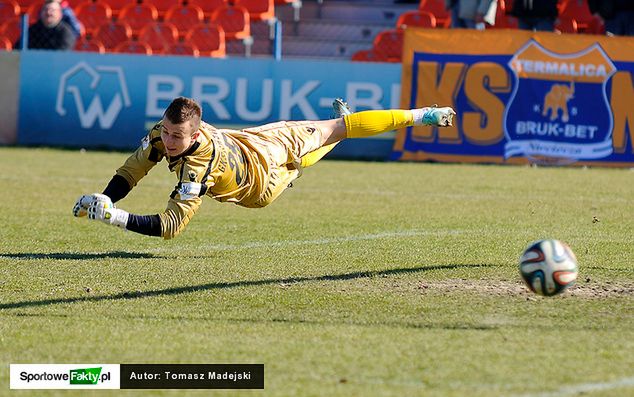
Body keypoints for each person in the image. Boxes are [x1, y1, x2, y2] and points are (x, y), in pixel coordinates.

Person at [73, 98, 456, 239]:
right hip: (256, 165)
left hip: (259, 163)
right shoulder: (163, 133)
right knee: (319, 140)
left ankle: (423, 114)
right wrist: (104, 199)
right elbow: (132, 170)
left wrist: (115, 218)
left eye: (178, 136)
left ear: (195, 133)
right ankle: (333, 135)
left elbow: (172, 227)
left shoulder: (199, 163)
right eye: (167, 132)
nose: (169, 141)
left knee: (335, 130)